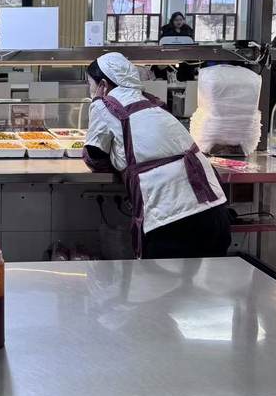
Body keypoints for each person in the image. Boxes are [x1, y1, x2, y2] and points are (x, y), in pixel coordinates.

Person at [83, 52, 231, 260]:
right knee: (213, 280)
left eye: (90, 84)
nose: (90, 90)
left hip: (170, 219)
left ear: (103, 85)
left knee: (159, 280)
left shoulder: (104, 104)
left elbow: (96, 156)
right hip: (213, 210)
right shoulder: (151, 102)